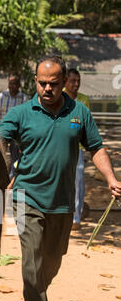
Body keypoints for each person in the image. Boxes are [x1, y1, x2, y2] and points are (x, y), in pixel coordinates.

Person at [0, 55, 121, 301]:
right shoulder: (21, 113)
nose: (47, 89)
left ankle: (39, 289)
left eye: (54, 83)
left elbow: (97, 149)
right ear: (35, 82)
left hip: (62, 201)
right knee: (32, 259)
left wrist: (111, 178)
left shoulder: (79, 112)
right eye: (42, 83)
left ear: (65, 82)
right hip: (26, 197)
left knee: (52, 259)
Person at [64, 68, 90, 230]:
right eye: (73, 81)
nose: (76, 84)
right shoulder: (60, 98)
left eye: (78, 81)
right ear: (65, 81)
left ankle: (76, 217)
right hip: (60, 146)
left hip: (78, 147)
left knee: (78, 179)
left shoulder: (84, 100)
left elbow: (87, 123)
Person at [0, 75, 28, 177]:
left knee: (15, 156)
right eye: (10, 83)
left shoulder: (24, 99)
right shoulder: (1, 96)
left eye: (14, 83)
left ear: (19, 85)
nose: (12, 85)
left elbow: (28, 117)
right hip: (1, 132)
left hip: (16, 134)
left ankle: (12, 176)